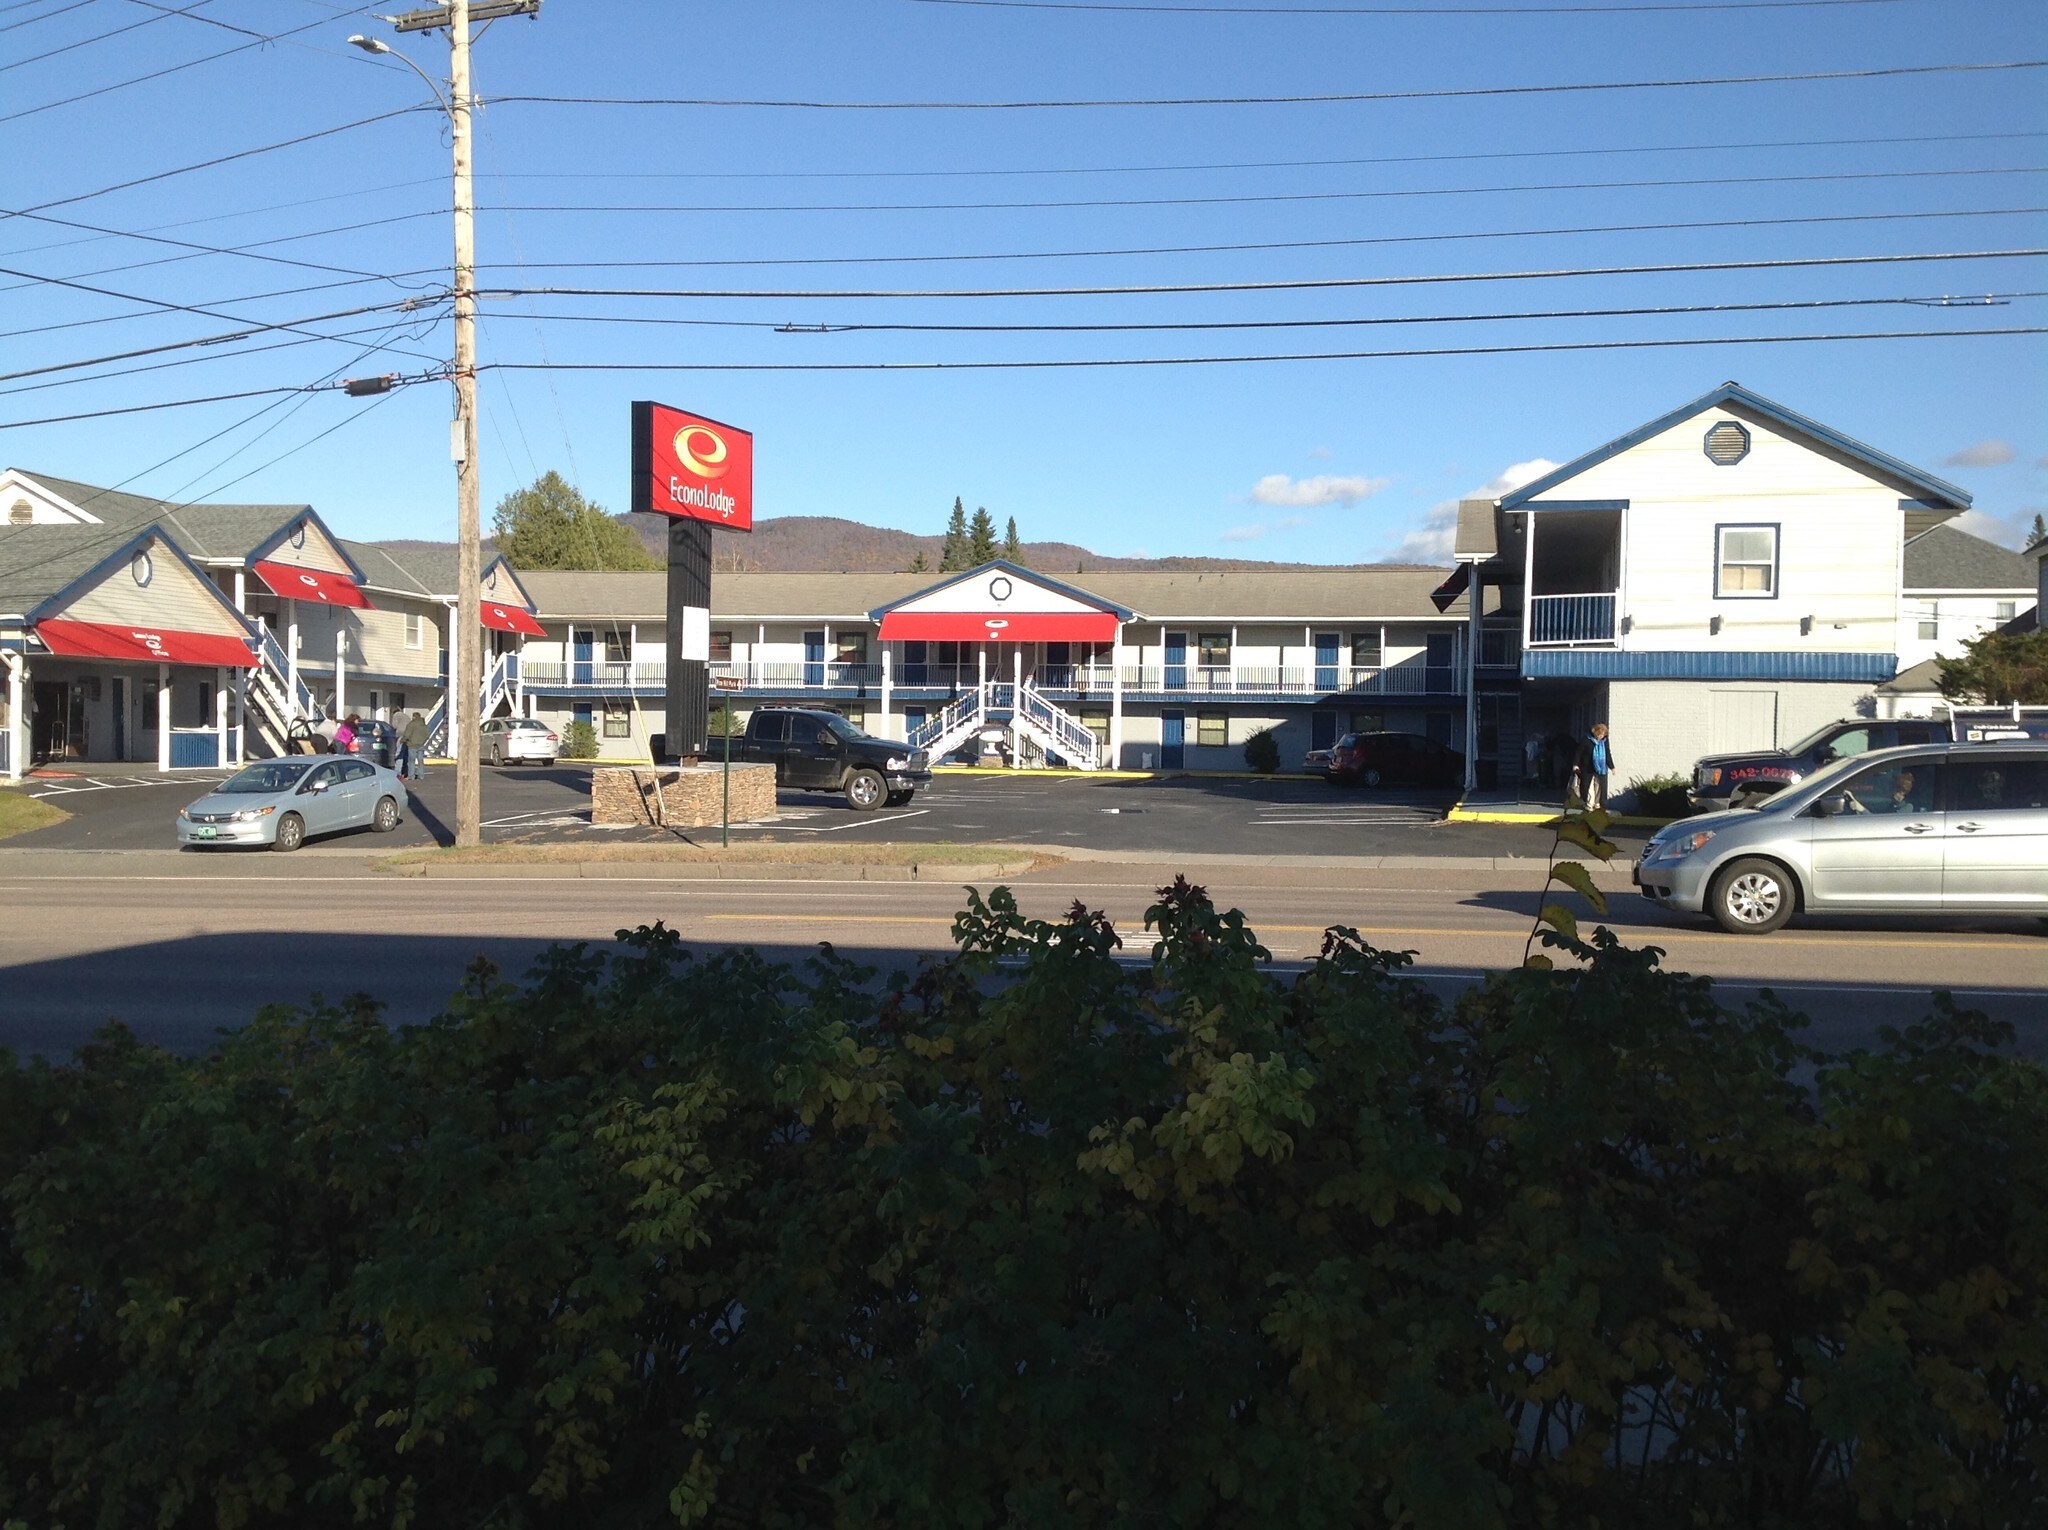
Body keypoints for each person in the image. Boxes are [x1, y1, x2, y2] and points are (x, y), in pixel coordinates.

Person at [1573, 722, 1616, 810]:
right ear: (1595, 732)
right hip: (1587, 767)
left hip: (1600, 768)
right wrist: (1575, 764)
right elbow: (1578, 752)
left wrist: (1612, 767)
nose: (1601, 736)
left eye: (1603, 735)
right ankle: (1589, 804)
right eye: (1600, 734)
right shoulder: (1586, 739)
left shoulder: (1604, 741)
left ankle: (1597, 803)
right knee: (1588, 786)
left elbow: (1607, 753)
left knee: (1598, 786)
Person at [400, 709, 429, 782]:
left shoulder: (411, 724)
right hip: (421, 745)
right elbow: (427, 735)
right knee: (420, 761)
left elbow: (407, 734)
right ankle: (421, 775)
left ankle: (411, 776)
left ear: (414, 717)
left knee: (411, 762)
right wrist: (423, 742)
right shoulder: (423, 725)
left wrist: (402, 740)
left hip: (412, 745)